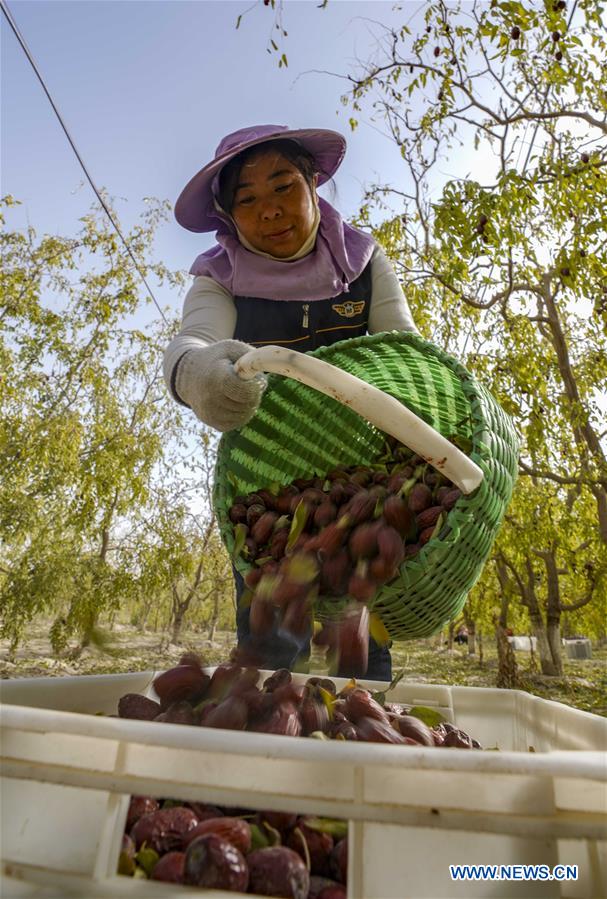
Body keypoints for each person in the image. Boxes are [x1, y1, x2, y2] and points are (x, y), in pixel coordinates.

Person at [164, 124, 419, 681]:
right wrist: (201, 375)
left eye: (283, 187)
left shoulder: (364, 263)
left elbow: (406, 355)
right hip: (266, 499)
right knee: (271, 652)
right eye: (247, 200)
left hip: (360, 493)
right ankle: (272, 755)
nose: (270, 211)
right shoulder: (219, 278)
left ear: (313, 186)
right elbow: (191, 344)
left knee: (361, 660)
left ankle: (357, 757)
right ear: (229, 218)